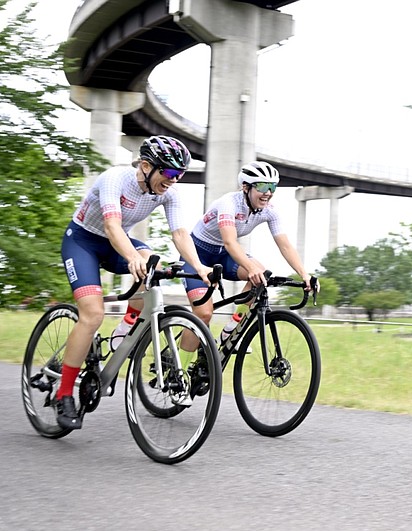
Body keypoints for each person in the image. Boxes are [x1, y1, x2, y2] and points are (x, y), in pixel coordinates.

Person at [57, 135, 211, 430]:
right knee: (92, 315)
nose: (173, 180)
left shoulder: (169, 192)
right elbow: (112, 226)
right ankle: (64, 393)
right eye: (167, 172)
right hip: (84, 241)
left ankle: (124, 332)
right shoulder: (116, 179)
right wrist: (131, 257)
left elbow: (180, 235)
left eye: (179, 175)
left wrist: (200, 267)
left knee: (153, 266)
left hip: (118, 241)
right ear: (145, 166)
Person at [178, 161, 316, 352]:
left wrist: (304, 274)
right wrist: (250, 268)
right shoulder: (228, 204)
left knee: (262, 276)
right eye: (262, 186)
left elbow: (285, 245)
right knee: (203, 314)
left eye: (272, 187)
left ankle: (231, 331)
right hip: (197, 254)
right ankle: (178, 372)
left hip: (224, 255)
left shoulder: (269, 211)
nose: (268, 192)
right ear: (245, 187)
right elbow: (230, 242)